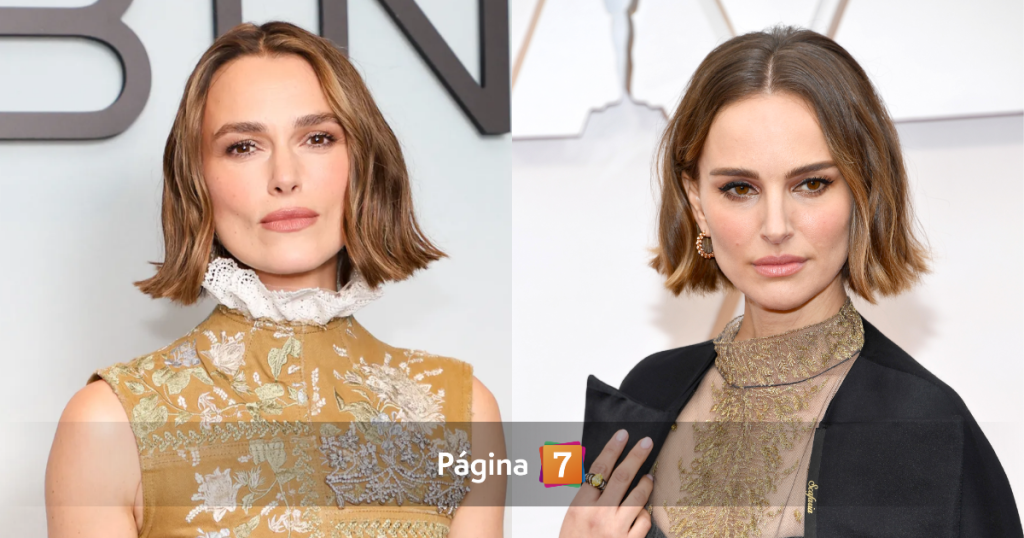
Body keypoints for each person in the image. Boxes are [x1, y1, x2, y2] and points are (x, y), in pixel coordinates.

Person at [45, 22, 505, 538]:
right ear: (197, 180)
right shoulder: (110, 423)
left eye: (318, 138)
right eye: (243, 146)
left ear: (363, 163)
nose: (285, 177)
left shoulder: (461, 411)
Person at [561, 26, 1021, 538]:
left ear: (863, 191)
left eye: (812, 184)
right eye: (740, 188)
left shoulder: (924, 427)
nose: (776, 226)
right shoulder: (649, 390)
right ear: (697, 203)